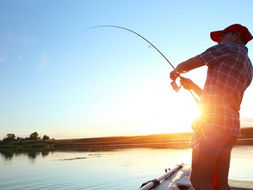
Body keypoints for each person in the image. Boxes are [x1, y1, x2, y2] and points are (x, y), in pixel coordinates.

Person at [170, 24, 253, 190]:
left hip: (213, 125)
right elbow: (219, 98)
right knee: (221, 183)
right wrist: (193, 86)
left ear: (236, 36)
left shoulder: (227, 48)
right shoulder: (249, 66)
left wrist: (177, 71)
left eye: (222, 36)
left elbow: (191, 63)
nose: (219, 41)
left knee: (199, 180)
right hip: (231, 127)